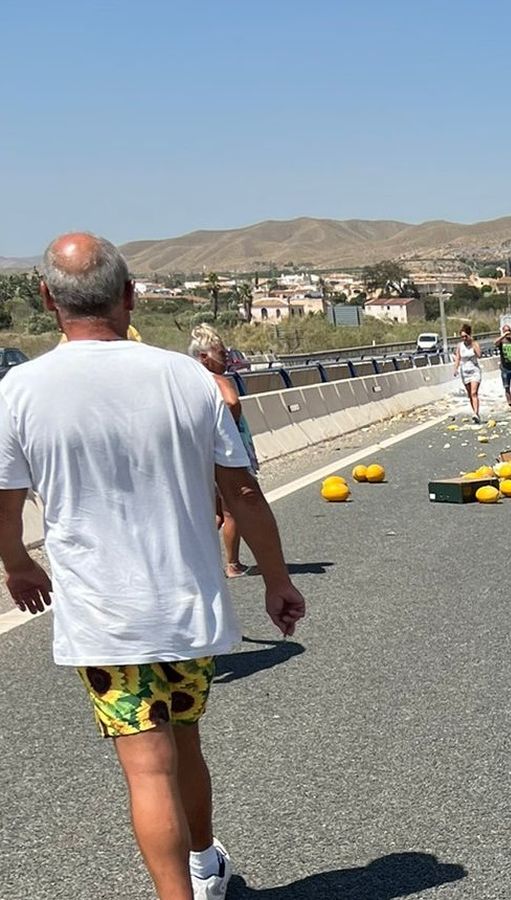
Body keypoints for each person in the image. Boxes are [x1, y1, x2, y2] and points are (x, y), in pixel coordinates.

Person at [1, 233, 305, 900]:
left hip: (104, 617)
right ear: (130, 295)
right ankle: (204, 868)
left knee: (147, 767)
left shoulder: (19, 389)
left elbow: (5, 502)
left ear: (48, 298)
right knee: (185, 741)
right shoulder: (188, 378)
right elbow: (243, 492)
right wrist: (277, 578)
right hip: (185, 604)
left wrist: (18, 565)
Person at [189, 324, 261, 579]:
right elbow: (232, 402)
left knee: (215, 513)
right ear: (204, 357)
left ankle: (196, 562)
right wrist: (226, 428)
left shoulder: (188, 382)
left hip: (203, 454)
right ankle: (232, 563)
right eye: (221, 353)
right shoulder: (217, 380)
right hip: (225, 454)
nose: (226, 358)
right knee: (233, 509)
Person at [454, 323, 483, 423]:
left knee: (474, 393)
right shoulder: (459, 346)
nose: (464, 339)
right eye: (462, 337)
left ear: (469, 335)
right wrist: (455, 369)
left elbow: (479, 355)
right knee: (470, 394)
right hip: (464, 372)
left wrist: (473, 343)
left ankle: (476, 413)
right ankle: (475, 413)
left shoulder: (474, 344)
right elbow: (458, 357)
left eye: (465, 336)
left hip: (474, 370)